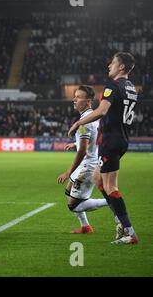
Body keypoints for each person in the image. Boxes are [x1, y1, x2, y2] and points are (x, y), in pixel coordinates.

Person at [68, 52, 139, 245]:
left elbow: (102, 111)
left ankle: (129, 232)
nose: (109, 65)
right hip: (122, 138)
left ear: (122, 67)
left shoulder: (113, 86)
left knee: (110, 186)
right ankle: (119, 220)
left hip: (110, 140)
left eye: (113, 63)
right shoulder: (131, 88)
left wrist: (77, 123)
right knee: (98, 179)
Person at [57, 86, 108, 234]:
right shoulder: (94, 116)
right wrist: (75, 143)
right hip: (90, 161)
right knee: (69, 192)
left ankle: (112, 202)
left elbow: (82, 151)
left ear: (87, 101)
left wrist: (68, 172)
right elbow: (93, 139)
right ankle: (86, 226)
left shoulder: (84, 122)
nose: (74, 99)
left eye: (78, 97)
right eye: (75, 96)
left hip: (87, 166)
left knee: (74, 205)